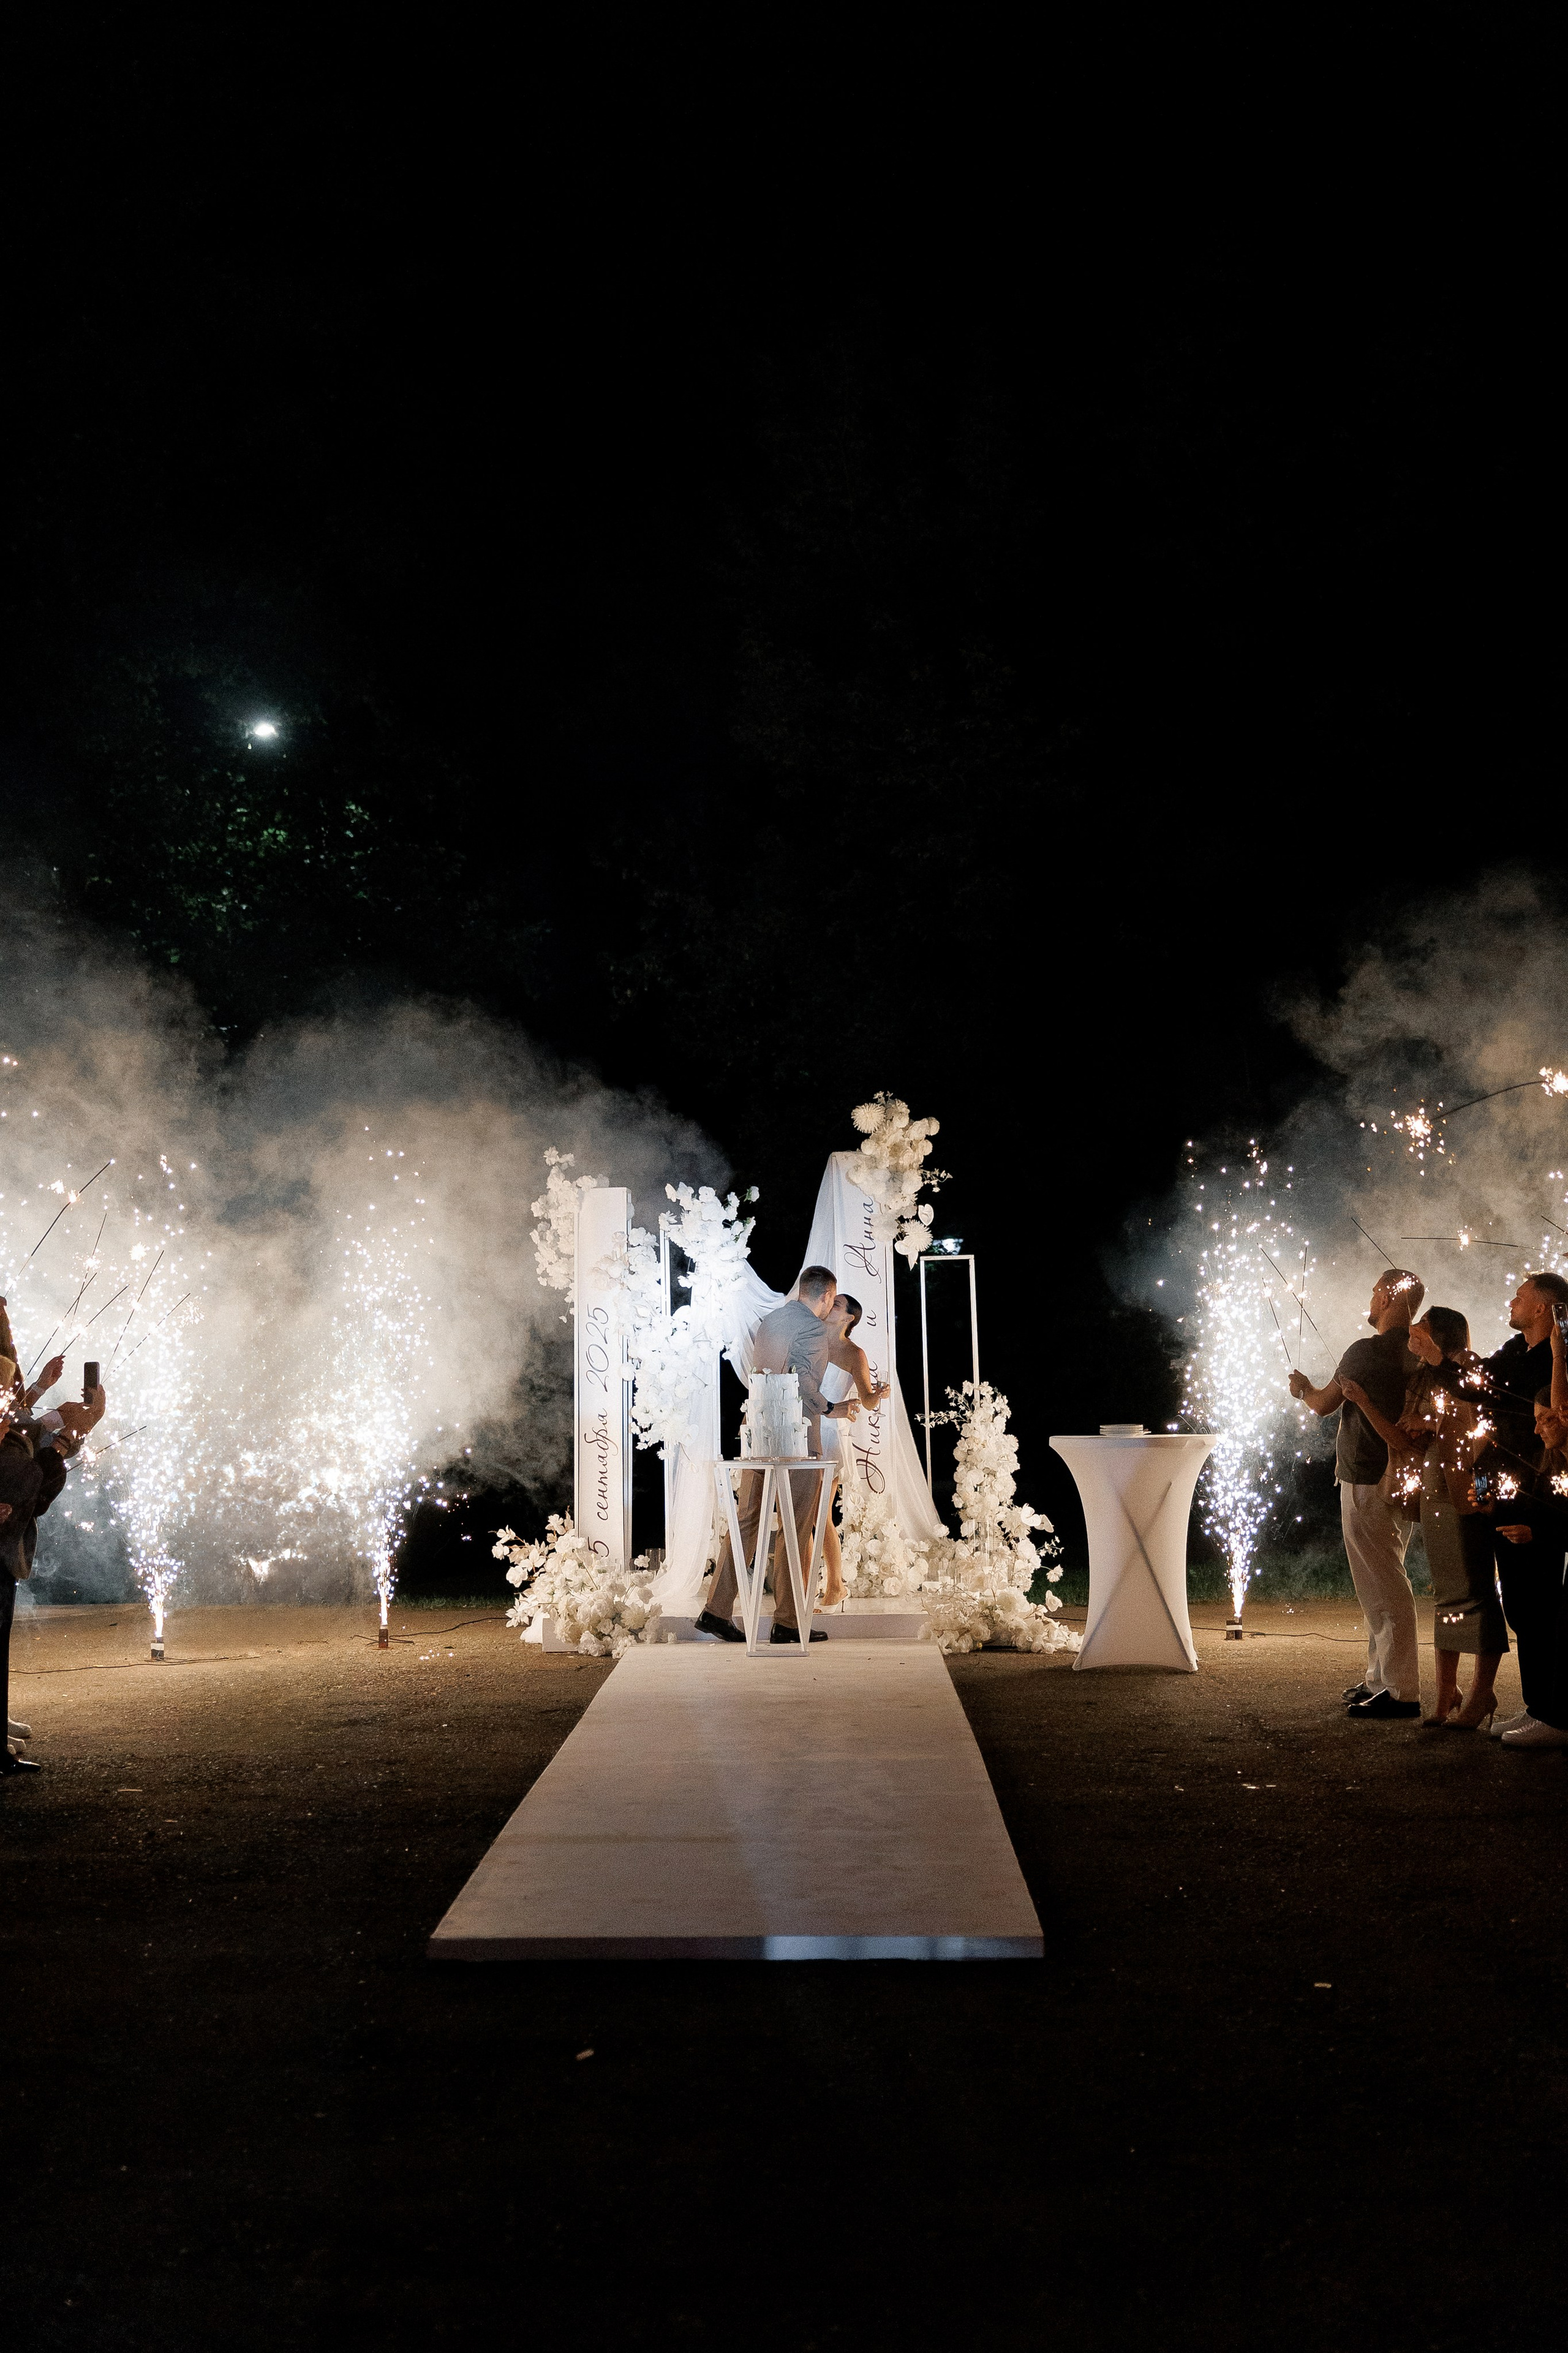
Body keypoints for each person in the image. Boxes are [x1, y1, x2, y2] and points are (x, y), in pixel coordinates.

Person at [1341, 1305, 1506, 1728]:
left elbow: (1480, 1418)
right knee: (1447, 1591)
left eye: (1425, 1326)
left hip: (1465, 1487)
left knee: (1475, 1589)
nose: (1416, 1332)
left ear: (1443, 1334)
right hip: (1435, 1484)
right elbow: (1440, 1419)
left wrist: (1485, 1495)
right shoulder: (1425, 1374)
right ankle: (1446, 1692)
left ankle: (1481, 1692)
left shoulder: (1467, 1364)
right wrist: (1423, 1420)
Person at [696, 1267, 861, 1644]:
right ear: (825, 1296)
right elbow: (804, 1383)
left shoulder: (770, 1320)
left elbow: (764, 1374)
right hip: (795, 1441)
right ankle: (786, 1623)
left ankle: (715, 1612)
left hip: (757, 1435)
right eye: (831, 1301)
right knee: (796, 1526)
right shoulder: (817, 1330)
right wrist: (832, 1408)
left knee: (747, 1523)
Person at [1290, 1268, 1424, 1718]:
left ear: (1388, 1296)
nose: (1370, 1301)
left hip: (1367, 1475)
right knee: (1383, 1578)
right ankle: (1379, 1678)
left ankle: (1402, 1689)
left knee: (1382, 1585)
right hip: (1403, 1478)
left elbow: (1324, 1404)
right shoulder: (1418, 1351)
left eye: (1373, 1292)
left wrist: (1303, 1387)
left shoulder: (1365, 1351)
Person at [1490, 1366, 1568, 1748]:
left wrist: (1538, 1534)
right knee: (1528, 1616)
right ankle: (1541, 1707)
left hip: (1557, 1558)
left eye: (1546, 1420)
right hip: (1549, 1552)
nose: (1538, 1430)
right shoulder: (1552, 1463)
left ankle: (1556, 1717)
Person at [815, 1293, 892, 1609]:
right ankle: (818, 1584)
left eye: (837, 1305)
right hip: (806, 1429)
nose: (830, 1306)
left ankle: (835, 1585)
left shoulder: (854, 1353)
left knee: (821, 1514)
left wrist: (878, 1394)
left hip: (831, 1435)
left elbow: (867, 1400)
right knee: (808, 1515)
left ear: (848, 1318)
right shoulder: (814, 1342)